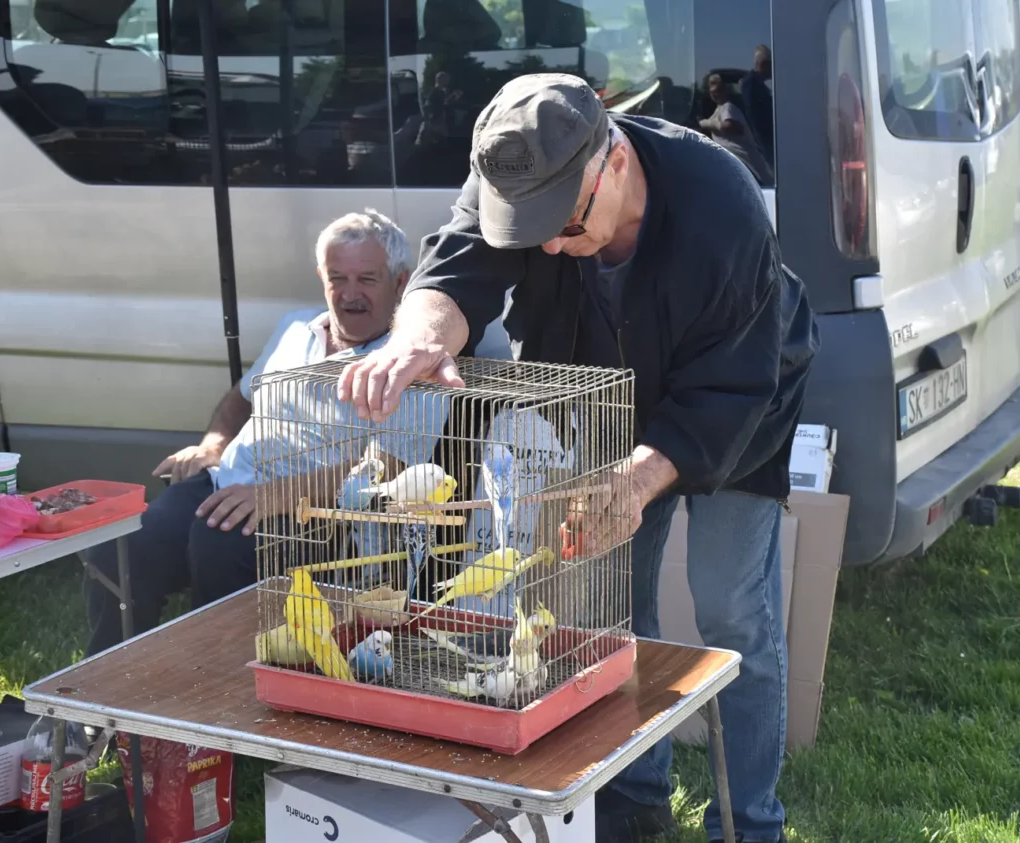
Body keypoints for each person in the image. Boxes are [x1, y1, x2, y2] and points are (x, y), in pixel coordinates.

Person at [338, 73, 818, 843]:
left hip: (737, 395)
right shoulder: (513, 165)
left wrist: (638, 478)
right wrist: (420, 333)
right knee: (612, 602)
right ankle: (637, 792)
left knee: (730, 606)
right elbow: (453, 270)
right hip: (607, 401)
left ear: (615, 163)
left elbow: (732, 382)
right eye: (533, 235)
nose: (552, 246)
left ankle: (751, 820)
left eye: (564, 225)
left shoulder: (721, 201)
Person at [81, 209, 414, 656]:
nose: (349, 294)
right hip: (227, 484)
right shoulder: (297, 326)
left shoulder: (407, 359)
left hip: (318, 517)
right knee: (119, 550)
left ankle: (217, 692)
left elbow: (396, 463)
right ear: (321, 276)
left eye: (367, 280)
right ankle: (107, 695)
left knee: (217, 546)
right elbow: (242, 396)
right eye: (337, 278)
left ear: (400, 282)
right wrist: (212, 445)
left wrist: (277, 495)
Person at [698, 72, 774, 187]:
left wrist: (705, 123)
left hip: (743, 164)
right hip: (735, 164)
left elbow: (730, 126)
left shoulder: (728, 107)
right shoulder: (719, 109)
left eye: (718, 90)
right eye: (711, 91)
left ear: (725, 90)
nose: (714, 93)